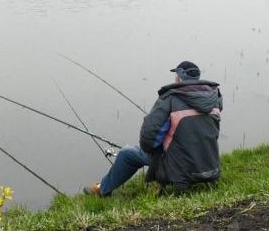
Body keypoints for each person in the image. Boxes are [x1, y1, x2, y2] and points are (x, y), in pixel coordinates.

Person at [84, 60, 223, 196]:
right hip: (211, 166)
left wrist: (154, 151)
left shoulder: (169, 98)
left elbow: (148, 137)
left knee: (126, 154)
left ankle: (102, 190)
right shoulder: (214, 98)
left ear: (179, 78)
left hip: (180, 169)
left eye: (176, 75)